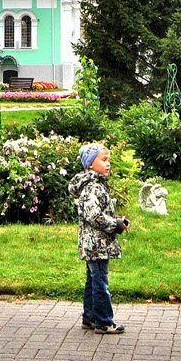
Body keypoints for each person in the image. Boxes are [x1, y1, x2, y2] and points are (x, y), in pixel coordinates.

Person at [68, 143, 130, 335]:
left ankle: (90, 318)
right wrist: (116, 225)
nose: (108, 164)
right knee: (100, 282)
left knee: (92, 281)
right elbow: (95, 217)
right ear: (90, 165)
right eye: (103, 160)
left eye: (108, 160)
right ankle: (104, 321)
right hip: (96, 244)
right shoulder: (93, 187)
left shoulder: (94, 185)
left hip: (93, 244)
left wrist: (117, 220)